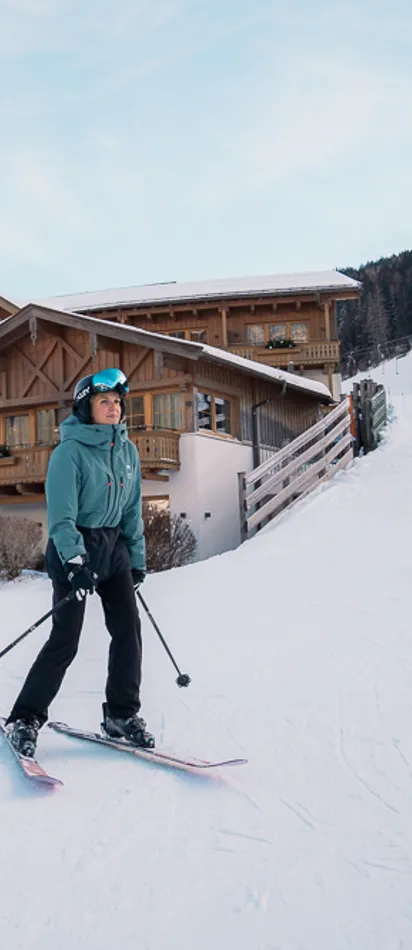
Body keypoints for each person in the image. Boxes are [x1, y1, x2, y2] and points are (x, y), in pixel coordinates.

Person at [6, 367, 154, 757]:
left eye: (117, 402)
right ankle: (24, 717)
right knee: (65, 640)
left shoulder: (128, 450)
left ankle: (122, 714)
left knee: (128, 632)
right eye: (104, 401)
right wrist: (74, 560)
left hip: (114, 549)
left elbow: (132, 511)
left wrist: (136, 560)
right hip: (76, 548)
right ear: (86, 408)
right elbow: (61, 517)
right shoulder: (68, 453)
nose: (113, 408)